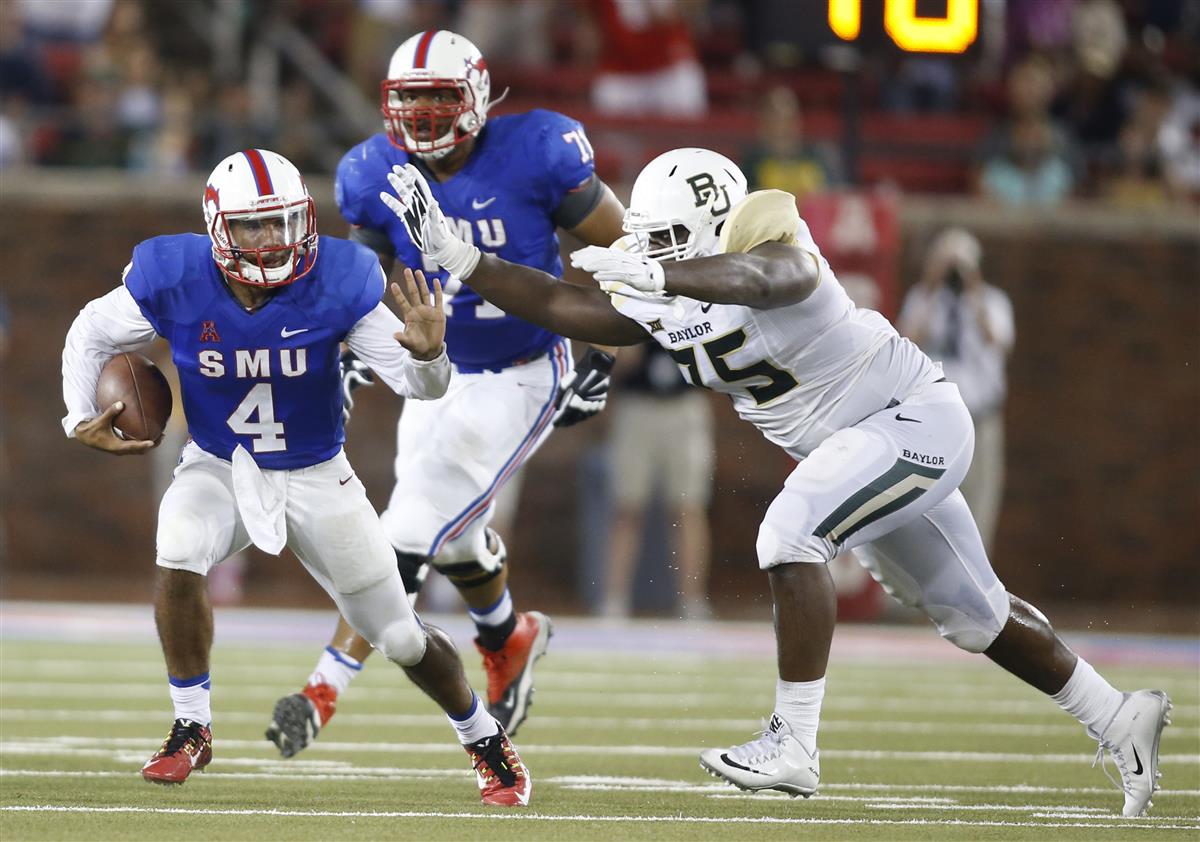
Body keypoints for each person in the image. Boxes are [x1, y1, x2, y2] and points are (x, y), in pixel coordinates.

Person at [379, 147, 1173, 818]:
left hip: (911, 420)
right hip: (867, 448)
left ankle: (793, 743)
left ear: (707, 229)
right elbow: (560, 302)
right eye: (647, 245)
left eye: (666, 242)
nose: (648, 254)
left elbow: (773, 278)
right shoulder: (661, 284)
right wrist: (460, 258)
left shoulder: (767, 234)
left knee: (789, 533)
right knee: (975, 615)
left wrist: (672, 279)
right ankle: (1117, 714)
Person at [60, 149, 531, 806]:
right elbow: (90, 331)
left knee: (398, 636)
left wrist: (431, 356)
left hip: (317, 474)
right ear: (218, 226)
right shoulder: (173, 274)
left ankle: (485, 739)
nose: (271, 239)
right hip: (221, 463)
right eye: (254, 226)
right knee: (177, 544)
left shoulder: (343, 279)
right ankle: (191, 725)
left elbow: (418, 386)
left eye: (282, 222)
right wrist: (80, 415)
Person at [265, 29, 628, 758]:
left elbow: (625, 251)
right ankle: (507, 637)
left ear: (479, 97)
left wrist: (608, 354)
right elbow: (359, 283)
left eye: (440, 100)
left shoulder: (541, 150)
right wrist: (345, 351)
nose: (426, 119)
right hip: (434, 370)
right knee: (451, 530)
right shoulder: (371, 171)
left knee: (406, 528)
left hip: (523, 368)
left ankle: (321, 689)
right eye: (412, 102)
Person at [898, 228, 1014, 554]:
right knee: (931, 504)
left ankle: (975, 583)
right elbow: (908, 340)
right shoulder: (922, 299)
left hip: (981, 416)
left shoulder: (992, 301)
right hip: (936, 423)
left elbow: (996, 340)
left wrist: (972, 288)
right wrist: (933, 285)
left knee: (981, 502)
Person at [602, 342, 714, 620]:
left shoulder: (695, 300)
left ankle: (692, 601)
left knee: (689, 507)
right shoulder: (629, 300)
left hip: (685, 405)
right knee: (627, 507)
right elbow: (619, 361)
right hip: (637, 405)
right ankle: (614, 600)